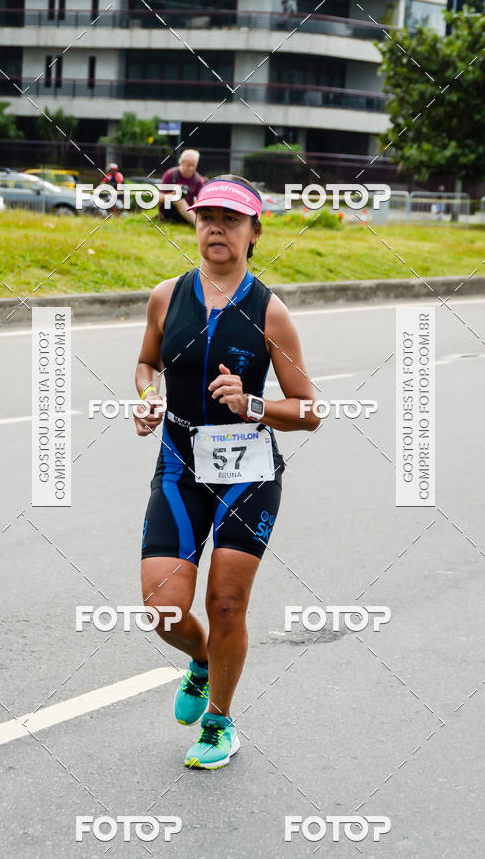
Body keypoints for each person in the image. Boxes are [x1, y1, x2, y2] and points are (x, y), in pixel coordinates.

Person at [134, 174, 319, 769]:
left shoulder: (271, 312)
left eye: (231, 219)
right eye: (207, 215)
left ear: (254, 233)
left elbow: (309, 410)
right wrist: (147, 395)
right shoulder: (166, 296)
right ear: (193, 223)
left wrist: (254, 404)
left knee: (228, 602)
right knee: (163, 608)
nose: (216, 226)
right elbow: (144, 362)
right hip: (180, 466)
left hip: (248, 471)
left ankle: (219, 722)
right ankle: (204, 660)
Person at [158, 149, 205, 226]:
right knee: (178, 199)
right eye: (188, 165)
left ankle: (200, 223)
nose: (191, 168)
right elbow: (158, 198)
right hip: (169, 211)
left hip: (187, 213)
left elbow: (202, 201)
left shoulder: (198, 180)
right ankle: (199, 225)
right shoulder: (170, 175)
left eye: (193, 165)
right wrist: (174, 194)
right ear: (181, 163)